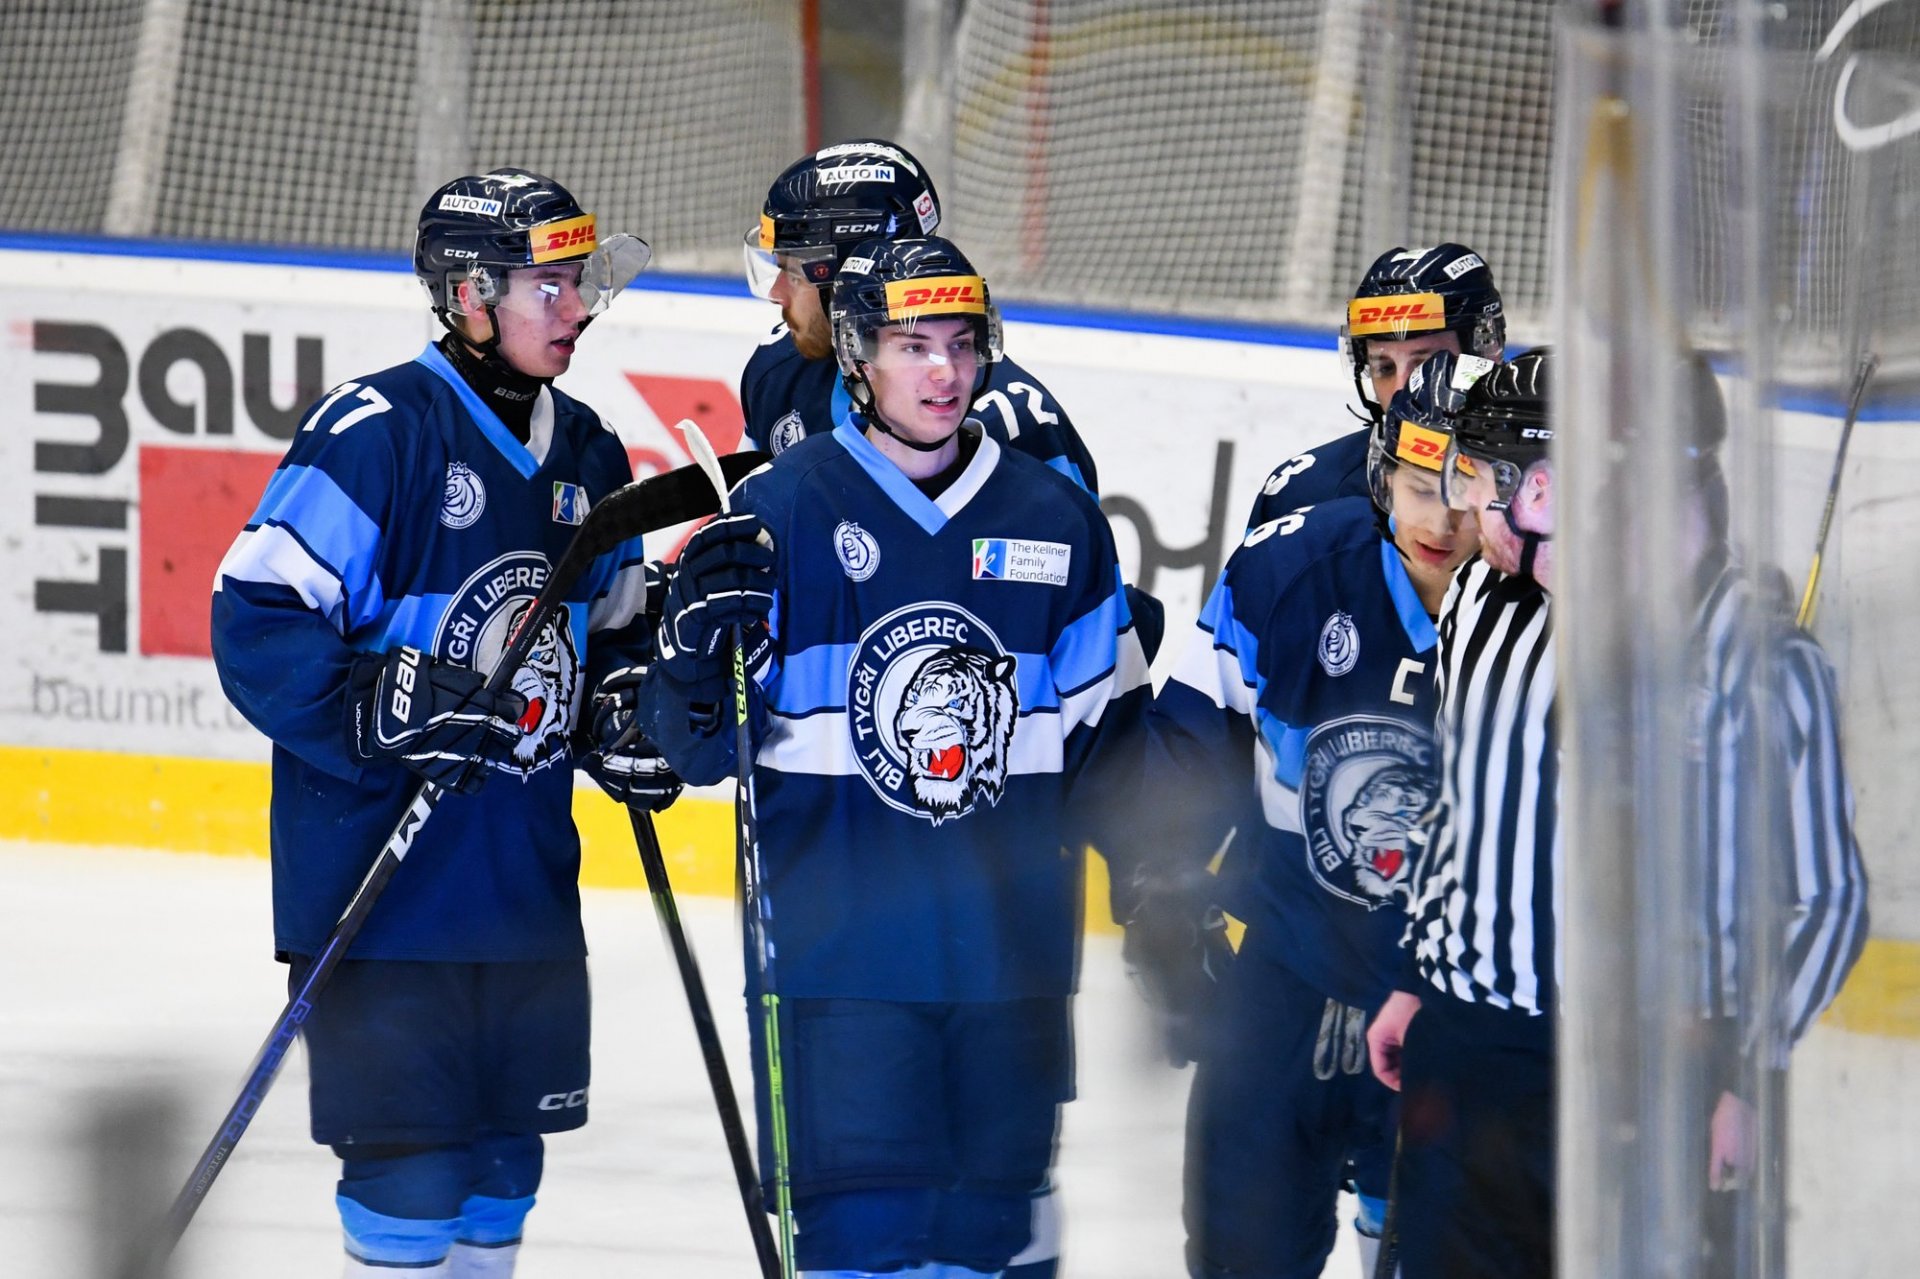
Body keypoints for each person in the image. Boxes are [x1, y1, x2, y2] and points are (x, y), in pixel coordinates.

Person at [640, 236, 1150, 1279]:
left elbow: (1116, 758)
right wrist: (690, 644)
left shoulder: (1057, 522)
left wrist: (1171, 891)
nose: (944, 372)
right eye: (914, 346)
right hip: (838, 979)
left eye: (960, 344)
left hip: (1010, 975)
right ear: (859, 357)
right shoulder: (782, 509)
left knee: (986, 1253)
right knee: (860, 1253)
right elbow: (696, 750)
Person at [211, 169, 677, 1278]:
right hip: (385, 897)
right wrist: (376, 699)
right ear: (469, 295)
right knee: (408, 1179)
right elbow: (256, 615)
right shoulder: (377, 432)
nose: (577, 307)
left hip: (523, 886)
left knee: (505, 1172)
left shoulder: (592, 453)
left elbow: (610, 639)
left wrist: (626, 714)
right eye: (548, 286)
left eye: (580, 281)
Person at [1129, 353, 1483, 1279]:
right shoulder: (1288, 568)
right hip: (1288, 973)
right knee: (1238, 1250)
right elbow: (1191, 740)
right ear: (1382, 476)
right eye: (1420, 488)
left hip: (1454, 1008)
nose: (1442, 522)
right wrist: (1162, 888)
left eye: (1465, 493)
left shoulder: (1540, 609)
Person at [740, 138, 1099, 492]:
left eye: (793, 275)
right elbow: (747, 505)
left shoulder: (1012, 421)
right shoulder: (778, 370)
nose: (776, 294)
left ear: (846, 281)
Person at [1245, 244, 1505, 529]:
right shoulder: (1304, 493)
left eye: (1425, 365)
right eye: (1385, 368)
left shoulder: (1538, 487)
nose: (1402, 389)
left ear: (1488, 349)